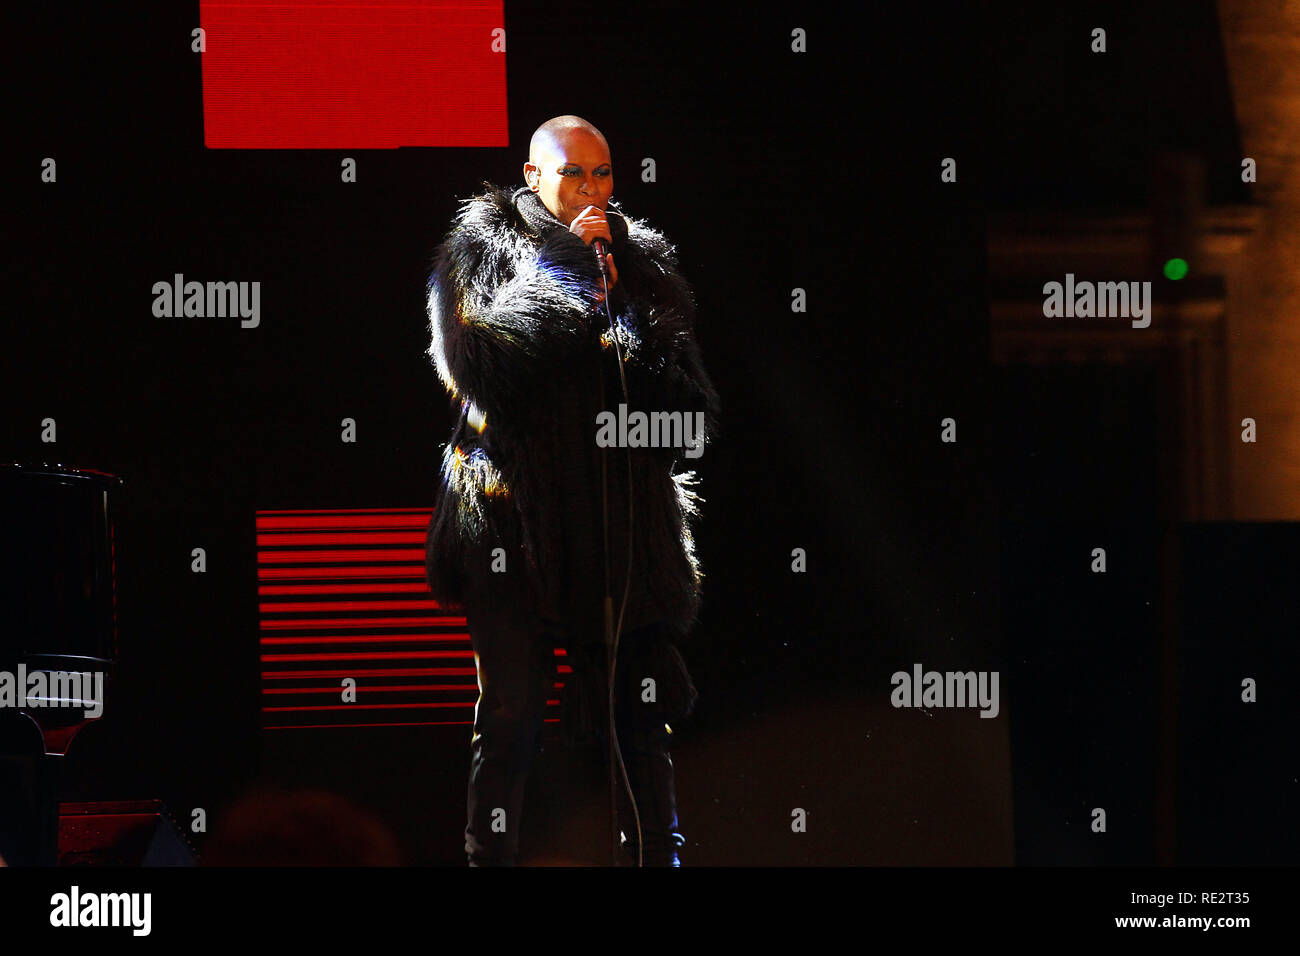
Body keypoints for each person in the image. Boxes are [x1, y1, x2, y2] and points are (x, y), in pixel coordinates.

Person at [423, 115, 720, 866]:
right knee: (514, 715)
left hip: (614, 524)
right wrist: (564, 274)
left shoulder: (640, 262)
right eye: (571, 175)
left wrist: (630, 320)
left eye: (602, 174)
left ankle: (659, 857)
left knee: (638, 717)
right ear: (533, 177)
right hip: (510, 524)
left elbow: (688, 420)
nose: (590, 191)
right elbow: (478, 370)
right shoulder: (481, 249)